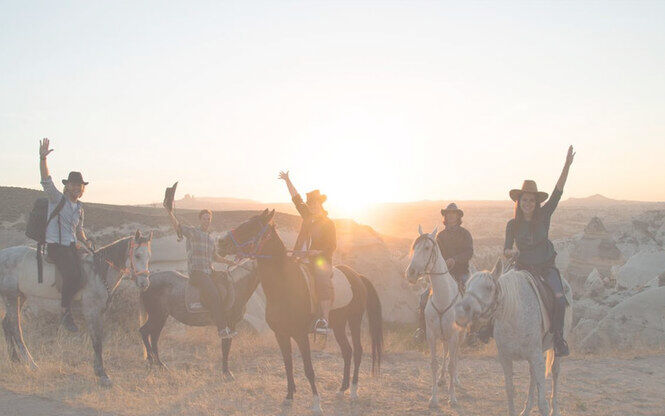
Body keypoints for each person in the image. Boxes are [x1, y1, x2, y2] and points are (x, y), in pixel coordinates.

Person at [504, 145, 575, 357]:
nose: (528, 203)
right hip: (522, 267)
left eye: (531, 200)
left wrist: (566, 165)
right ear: (519, 202)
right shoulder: (512, 224)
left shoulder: (544, 215)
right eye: (524, 200)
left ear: (536, 202)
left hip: (545, 267)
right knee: (500, 293)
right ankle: (495, 331)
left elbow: (558, 191)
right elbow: (506, 248)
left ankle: (558, 338)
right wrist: (510, 254)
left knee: (559, 297)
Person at [38, 138, 93, 332]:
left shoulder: (79, 207)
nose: (77, 188)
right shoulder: (57, 198)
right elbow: (46, 181)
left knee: (85, 273)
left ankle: (74, 305)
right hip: (56, 246)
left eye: (80, 185)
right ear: (67, 185)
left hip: (71, 246)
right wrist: (42, 159)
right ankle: (65, 313)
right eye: (74, 184)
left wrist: (86, 242)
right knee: (72, 275)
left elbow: (79, 231)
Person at [278, 171, 337, 335]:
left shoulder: (328, 223)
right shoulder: (307, 216)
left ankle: (325, 321)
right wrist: (287, 180)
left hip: (320, 260)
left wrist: (318, 252)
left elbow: (332, 246)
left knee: (321, 280)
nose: (312, 206)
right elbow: (296, 198)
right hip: (300, 257)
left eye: (315, 204)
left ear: (320, 204)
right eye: (310, 204)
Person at [165, 207, 237, 339]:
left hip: (209, 271)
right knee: (214, 294)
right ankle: (222, 329)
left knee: (226, 278)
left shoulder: (210, 238)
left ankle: (227, 317)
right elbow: (178, 227)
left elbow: (215, 257)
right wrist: (170, 213)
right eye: (204, 218)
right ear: (200, 219)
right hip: (197, 273)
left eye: (209, 219)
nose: (207, 221)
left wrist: (229, 262)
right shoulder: (193, 233)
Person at [413, 203, 473, 343]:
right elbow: (434, 255)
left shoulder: (465, 234)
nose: (451, 216)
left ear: (458, 216)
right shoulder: (440, 236)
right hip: (442, 275)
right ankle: (423, 330)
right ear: (445, 217)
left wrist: (455, 260)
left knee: (469, 299)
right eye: (448, 213)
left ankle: (471, 333)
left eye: (454, 213)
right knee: (423, 299)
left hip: (460, 272)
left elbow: (469, 252)